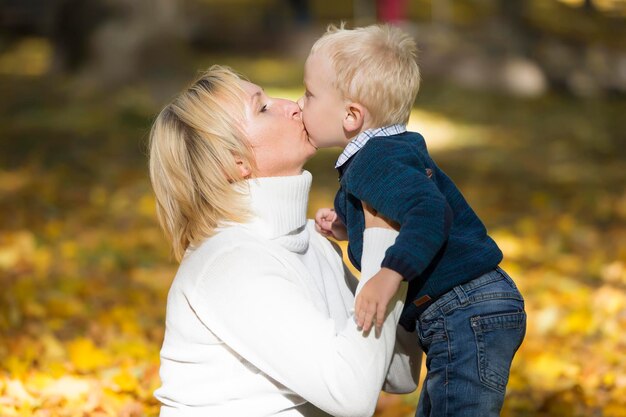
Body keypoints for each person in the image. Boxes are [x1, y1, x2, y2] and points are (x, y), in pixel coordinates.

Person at [148, 65, 422, 417]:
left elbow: (398, 372)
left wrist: (399, 251)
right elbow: (351, 395)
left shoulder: (312, 240)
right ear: (235, 162)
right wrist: (384, 238)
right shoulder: (231, 263)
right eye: (262, 108)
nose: (292, 105)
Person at [298, 24, 527, 417]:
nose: (299, 105)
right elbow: (399, 212)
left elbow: (428, 212)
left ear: (352, 115)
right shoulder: (385, 153)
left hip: (465, 308)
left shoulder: (376, 159)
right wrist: (344, 225)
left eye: (309, 94)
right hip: (462, 308)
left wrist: (390, 274)